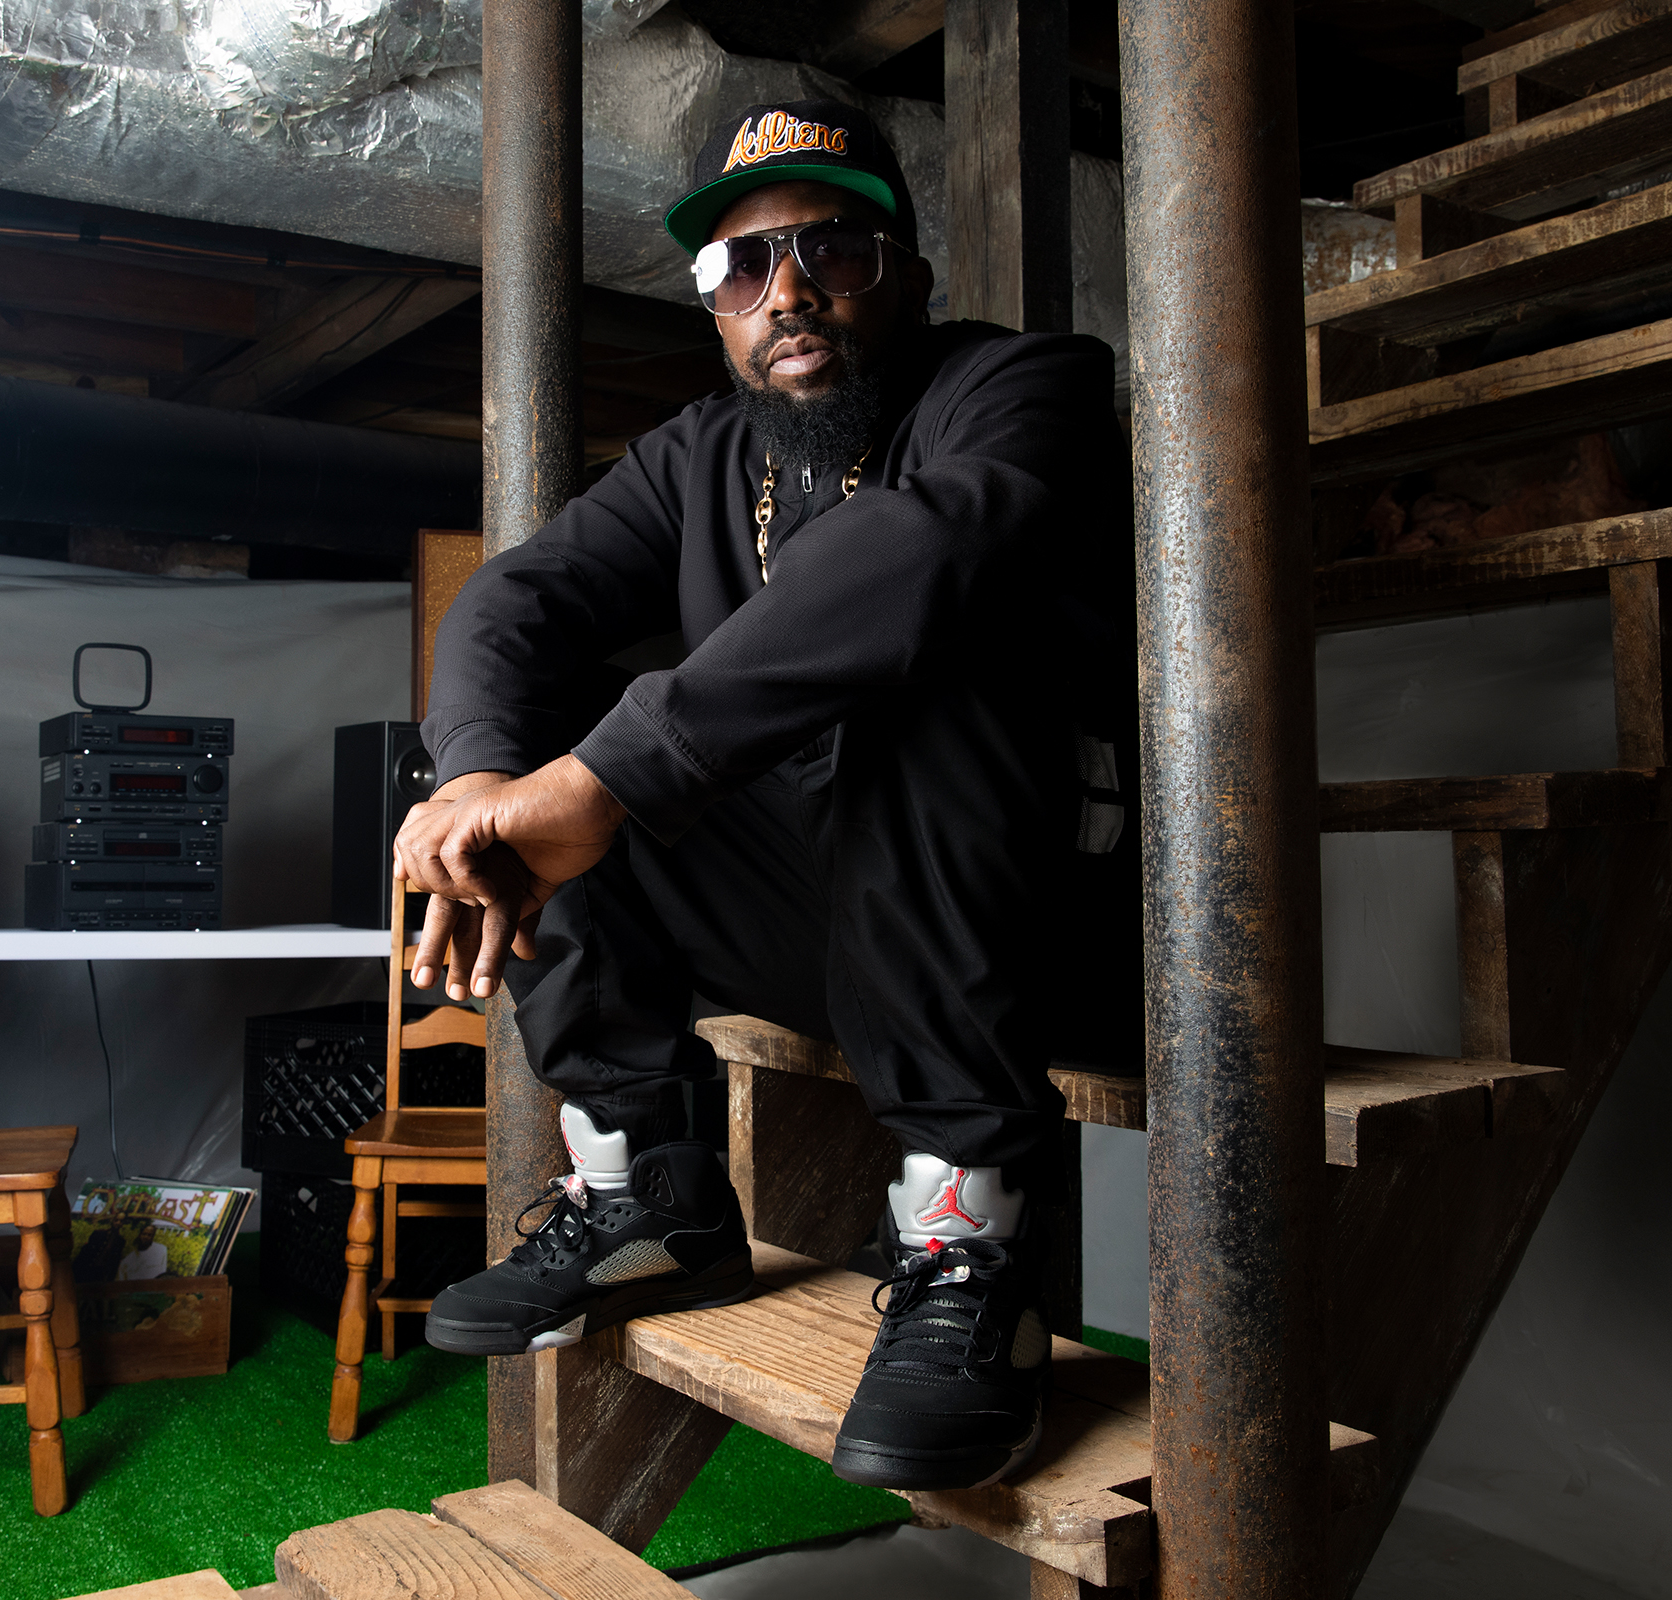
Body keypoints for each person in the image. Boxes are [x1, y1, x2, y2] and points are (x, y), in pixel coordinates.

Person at [394, 98, 1137, 1493]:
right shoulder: (700, 459)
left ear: (904, 271)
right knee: (521, 743)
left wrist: (610, 777)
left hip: (1059, 929)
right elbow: (514, 602)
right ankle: (647, 1186)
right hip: (838, 925)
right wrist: (489, 783)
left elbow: (923, 552)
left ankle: (973, 1248)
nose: (785, 293)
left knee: (904, 679)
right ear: (716, 315)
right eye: (741, 270)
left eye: (829, 251)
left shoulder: (1021, 385)